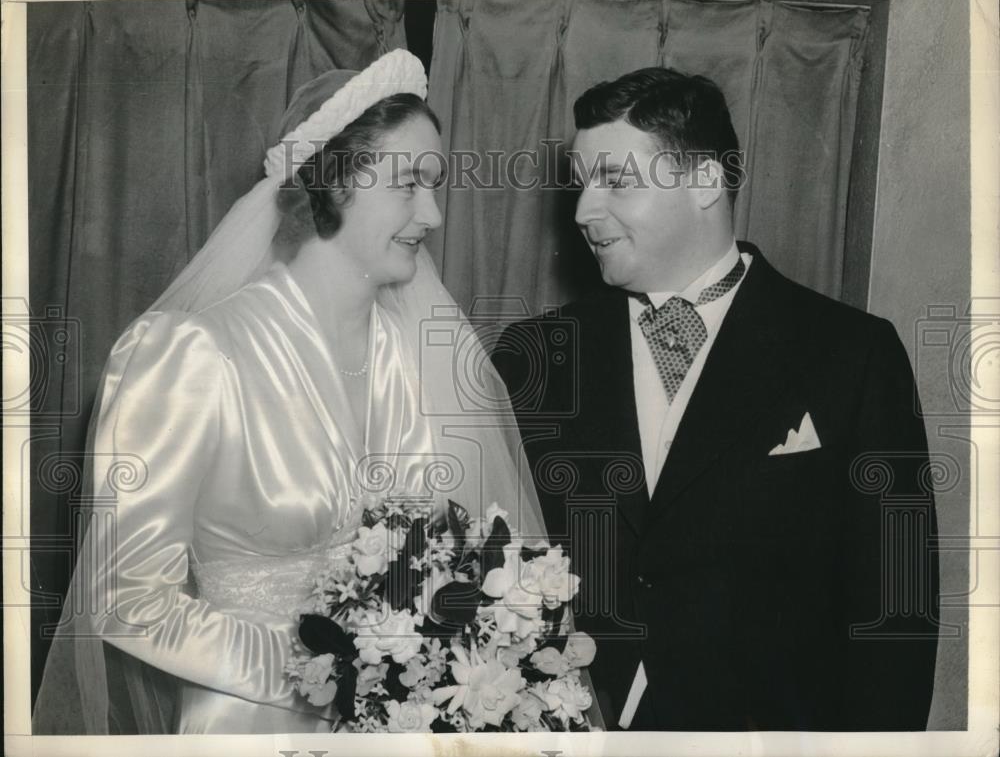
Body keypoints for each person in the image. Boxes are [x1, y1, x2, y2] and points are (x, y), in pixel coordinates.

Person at [33, 49, 546, 735]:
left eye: (436, 185)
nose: (433, 214)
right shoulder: (190, 355)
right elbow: (126, 597)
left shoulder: (425, 362)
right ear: (333, 182)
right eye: (408, 184)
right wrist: (335, 669)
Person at [492, 66, 940, 731]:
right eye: (582, 184)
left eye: (615, 181)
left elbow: (897, 615)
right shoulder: (533, 357)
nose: (584, 211)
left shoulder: (854, 355)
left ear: (705, 180)